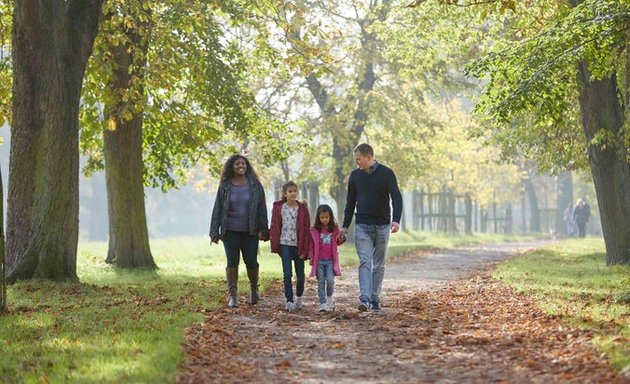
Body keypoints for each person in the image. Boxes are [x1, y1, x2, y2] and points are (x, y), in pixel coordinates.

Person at [338, 143, 402, 312]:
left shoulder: (387, 174)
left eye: (358, 159)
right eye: (355, 159)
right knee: (365, 262)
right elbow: (350, 202)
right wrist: (345, 226)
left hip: (382, 226)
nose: (357, 162)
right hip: (362, 226)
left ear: (368, 157)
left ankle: (375, 298)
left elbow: (396, 197)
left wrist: (396, 220)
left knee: (379, 265)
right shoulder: (355, 176)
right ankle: (364, 299)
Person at [209, 154, 269, 308]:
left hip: (251, 231)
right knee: (232, 262)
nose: (241, 166)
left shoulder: (255, 184)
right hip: (230, 231)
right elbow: (218, 208)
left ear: (246, 165)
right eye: (237, 164)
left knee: (251, 261)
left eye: (243, 163)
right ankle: (233, 296)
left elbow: (262, 207)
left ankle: (254, 289)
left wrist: (264, 229)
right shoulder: (225, 185)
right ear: (231, 167)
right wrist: (214, 230)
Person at [269, 181, 311, 311]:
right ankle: (289, 300)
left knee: (300, 274)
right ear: (284, 193)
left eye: (295, 191)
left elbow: (306, 229)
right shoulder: (279, 207)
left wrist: (305, 249)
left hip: (299, 245)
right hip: (284, 244)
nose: (293, 193)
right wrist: (273, 242)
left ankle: (298, 297)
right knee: (287, 273)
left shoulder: (303, 208)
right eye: (290, 191)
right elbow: (274, 226)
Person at [308, 204, 345, 312]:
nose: (325, 220)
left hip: (330, 261)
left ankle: (329, 297)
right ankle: (323, 303)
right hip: (319, 261)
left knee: (330, 281)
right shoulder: (315, 230)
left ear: (330, 217)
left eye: (327, 217)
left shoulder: (334, 229)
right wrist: (311, 257)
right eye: (322, 217)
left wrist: (342, 238)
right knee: (320, 282)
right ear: (318, 218)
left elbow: (338, 241)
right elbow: (311, 246)